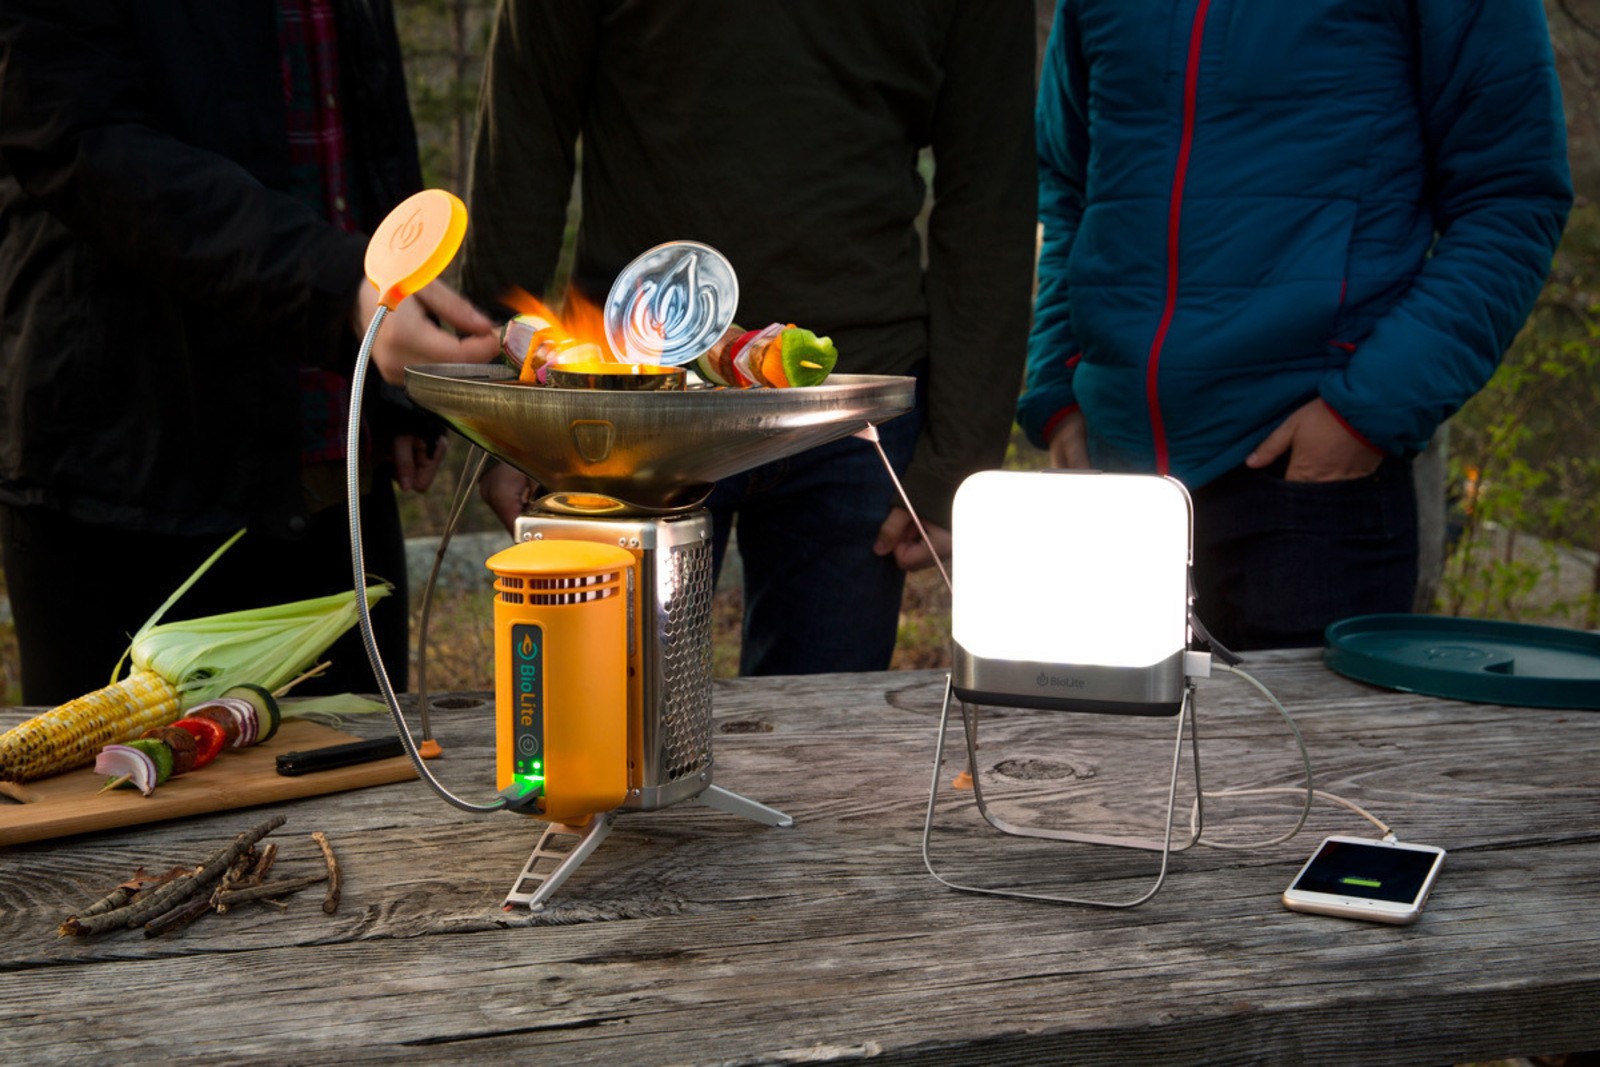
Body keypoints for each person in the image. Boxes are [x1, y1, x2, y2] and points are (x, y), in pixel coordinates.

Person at [462, 0, 1037, 675]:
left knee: (820, 730)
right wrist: (501, 416)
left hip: (851, 409)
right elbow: (525, 130)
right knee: (607, 716)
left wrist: (959, 457)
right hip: (630, 401)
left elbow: (991, 181)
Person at [1019, 0, 1573, 651]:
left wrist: (1365, 411)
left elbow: (1511, 198)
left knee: (1308, 728)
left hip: (1310, 490)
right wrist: (1056, 390)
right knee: (1072, 724)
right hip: (1111, 490)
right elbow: (1066, 184)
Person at [0, 0, 501, 705]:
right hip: (127, 480)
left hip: (335, 469)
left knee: (366, 771)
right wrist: (339, 290)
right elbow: (76, 138)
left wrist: (394, 387)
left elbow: (355, 102)